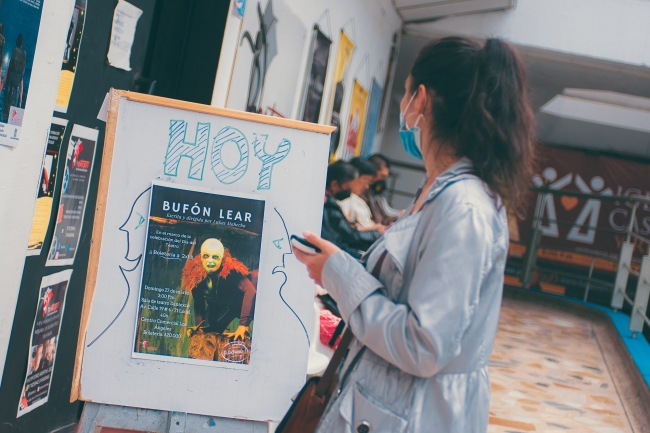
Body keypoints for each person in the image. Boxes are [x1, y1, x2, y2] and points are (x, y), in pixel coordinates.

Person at [295, 37, 535, 432]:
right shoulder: (439, 191)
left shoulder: (463, 207)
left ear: (420, 100)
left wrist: (340, 274)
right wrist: (335, 267)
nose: (403, 106)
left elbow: (425, 344)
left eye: (404, 93)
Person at [182, 238, 257, 341]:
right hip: (222, 307)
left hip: (242, 302)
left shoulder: (231, 271)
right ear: (201, 257)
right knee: (208, 334)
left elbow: (250, 291)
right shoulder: (194, 276)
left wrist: (243, 325)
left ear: (221, 258)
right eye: (206, 256)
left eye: (215, 257)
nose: (210, 261)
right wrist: (200, 326)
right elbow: (199, 303)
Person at [322, 160, 378, 259]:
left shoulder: (329, 203)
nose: (349, 191)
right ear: (334, 185)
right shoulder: (330, 208)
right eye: (347, 187)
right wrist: (374, 236)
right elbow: (348, 236)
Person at [338, 157, 387, 234]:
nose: (366, 186)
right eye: (365, 180)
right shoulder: (342, 200)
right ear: (354, 176)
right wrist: (376, 227)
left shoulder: (359, 201)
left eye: (369, 183)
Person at [363, 153, 402, 226]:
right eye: (382, 176)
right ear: (371, 172)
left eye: (385, 178)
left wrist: (399, 217)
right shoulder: (362, 193)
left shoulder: (375, 196)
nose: (383, 181)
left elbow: (383, 219)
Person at [2, 33, 27, 123]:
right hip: (16, 90)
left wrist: (1, 86)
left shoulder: (13, 56)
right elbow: (21, 80)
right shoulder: (23, 58)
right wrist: (20, 100)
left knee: (5, 111)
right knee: (12, 116)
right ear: (21, 44)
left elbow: (5, 77)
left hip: (9, 88)